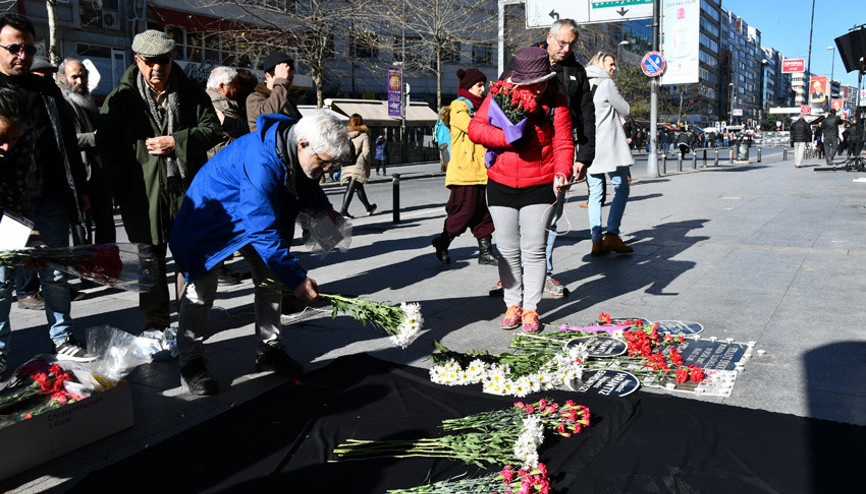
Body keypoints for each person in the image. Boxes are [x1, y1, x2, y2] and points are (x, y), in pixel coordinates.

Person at [169, 110, 352, 395]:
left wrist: (325, 212)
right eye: (324, 162)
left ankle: (270, 350)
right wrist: (297, 280)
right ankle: (190, 360)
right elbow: (262, 231)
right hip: (211, 223)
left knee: (271, 282)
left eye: (332, 164)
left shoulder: (299, 148)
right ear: (302, 144)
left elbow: (308, 184)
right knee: (201, 291)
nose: (327, 170)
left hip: (252, 218)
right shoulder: (260, 161)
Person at [96, 29, 221, 333]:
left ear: (172, 59)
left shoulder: (191, 93)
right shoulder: (120, 99)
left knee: (189, 259)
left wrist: (177, 141)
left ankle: (189, 322)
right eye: (149, 61)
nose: (157, 68)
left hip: (187, 194)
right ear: (137, 60)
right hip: (141, 197)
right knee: (149, 263)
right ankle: (156, 324)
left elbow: (213, 131)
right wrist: (122, 191)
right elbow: (108, 150)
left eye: (163, 61)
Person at [0, 14, 94, 363]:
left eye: (28, 48)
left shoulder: (46, 90)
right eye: (14, 48)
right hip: (7, 204)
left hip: (51, 195)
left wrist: (79, 189)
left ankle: (63, 336)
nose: (22, 55)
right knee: (2, 279)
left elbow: (66, 143)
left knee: (56, 272)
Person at [468, 46, 574, 333]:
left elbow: (564, 142)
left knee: (535, 250)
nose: (537, 88)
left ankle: (530, 309)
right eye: (530, 83)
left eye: (541, 82)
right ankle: (512, 304)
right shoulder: (499, 95)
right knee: (507, 250)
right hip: (501, 184)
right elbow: (475, 129)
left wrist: (563, 172)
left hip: (540, 185)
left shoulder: (557, 101)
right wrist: (508, 138)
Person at [537, 19, 596, 297]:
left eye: (571, 44)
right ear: (549, 37)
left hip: (561, 151)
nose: (567, 49)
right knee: (520, 217)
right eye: (562, 43)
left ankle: (543, 273)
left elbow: (586, 115)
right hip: (527, 151)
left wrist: (584, 155)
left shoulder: (577, 71)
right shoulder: (526, 60)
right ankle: (512, 272)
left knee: (551, 214)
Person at [430, 68, 496, 266]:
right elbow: (473, 129)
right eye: (479, 85)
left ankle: (485, 252)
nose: (483, 89)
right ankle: (443, 242)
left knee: (482, 213)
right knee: (463, 211)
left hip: (481, 171)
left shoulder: (482, 106)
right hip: (465, 172)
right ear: (468, 87)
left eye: (484, 85)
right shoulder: (459, 106)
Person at [59, 57, 116, 247]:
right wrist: (93, 137)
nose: (80, 81)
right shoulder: (63, 104)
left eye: (82, 76)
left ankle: (105, 263)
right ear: (63, 78)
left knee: (105, 227)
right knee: (82, 233)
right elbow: (66, 140)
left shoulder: (87, 99)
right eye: (74, 77)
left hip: (99, 174)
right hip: (80, 177)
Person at [584, 52, 634, 257]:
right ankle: (612, 234)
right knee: (621, 188)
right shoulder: (606, 83)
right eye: (611, 64)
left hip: (588, 146)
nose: (614, 68)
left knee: (595, 194)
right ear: (600, 64)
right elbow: (625, 109)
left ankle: (596, 241)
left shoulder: (582, 82)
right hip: (609, 147)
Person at [246, 52, 300, 132]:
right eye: (283, 79)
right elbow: (268, 115)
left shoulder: (285, 97)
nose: (288, 83)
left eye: (290, 79)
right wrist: (281, 81)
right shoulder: (254, 98)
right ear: (268, 76)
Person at [206, 65, 249, 159]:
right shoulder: (222, 104)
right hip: (226, 157)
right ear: (222, 87)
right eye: (235, 84)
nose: (239, 87)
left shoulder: (205, 98)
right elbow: (242, 132)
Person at [339, 114, 377, 218]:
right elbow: (366, 152)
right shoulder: (363, 135)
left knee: (359, 187)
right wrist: (368, 162)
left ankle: (369, 207)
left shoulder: (345, 135)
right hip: (357, 164)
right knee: (351, 187)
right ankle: (343, 211)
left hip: (347, 163)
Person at [434, 106, 451, 172]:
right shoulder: (449, 122)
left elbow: (435, 131)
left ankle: (443, 167)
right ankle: (446, 167)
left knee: (443, 154)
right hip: (448, 140)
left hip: (441, 141)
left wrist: (435, 140)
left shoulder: (438, 122)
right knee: (449, 154)